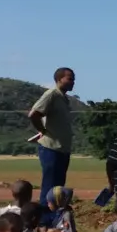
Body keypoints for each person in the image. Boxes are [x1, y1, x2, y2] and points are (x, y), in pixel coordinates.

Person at [29, 67, 76, 209]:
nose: (73, 82)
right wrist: (42, 130)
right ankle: (45, 218)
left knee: (58, 191)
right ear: (59, 79)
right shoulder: (51, 95)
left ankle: (55, 217)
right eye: (69, 79)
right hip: (51, 149)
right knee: (50, 189)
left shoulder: (64, 98)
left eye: (73, 79)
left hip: (62, 149)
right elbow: (34, 114)